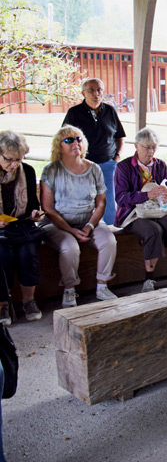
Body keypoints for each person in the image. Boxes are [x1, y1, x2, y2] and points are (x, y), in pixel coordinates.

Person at [40, 126, 118, 307]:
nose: (75, 143)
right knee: (70, 247)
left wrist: (90, 226)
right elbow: (48, 208)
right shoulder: (51, 170)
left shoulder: (94, 169)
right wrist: (72, 231)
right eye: (69, 140)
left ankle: (102, 286)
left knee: (109, 241)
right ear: (59, 146)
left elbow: (101, 203)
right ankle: (69, 290)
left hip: (88, 220)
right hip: (58, 223)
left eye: (78, 139)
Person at [114, 127, 167, 292]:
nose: (150, 152)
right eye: (146, 147)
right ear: (136, 145)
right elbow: (121, 198)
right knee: (153, 230)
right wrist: (147, 195)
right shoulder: (124, 167)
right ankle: (149, 278)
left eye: (153, 148)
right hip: (133, 214)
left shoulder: (161, 166)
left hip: (158, 211)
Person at [63, 78, 126, 226]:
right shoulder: (74, 113)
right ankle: (87, 227)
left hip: (108, 164)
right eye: (91, 90)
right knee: (84, 199)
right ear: (83, 93)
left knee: (109, 199)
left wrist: (116, 157)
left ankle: (111, 229)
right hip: (83, 165)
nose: (96, 93)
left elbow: (119, 137)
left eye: (99, 90)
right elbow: (65, 138)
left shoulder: (110, 111)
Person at [0, 131, 45, 324]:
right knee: (3, 255)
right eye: (9, 160)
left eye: (18, 160)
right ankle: (3, 304)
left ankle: (29, 301)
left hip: (22, 225)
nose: (14, 165)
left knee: (28, 252)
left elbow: (33, 203)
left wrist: (35, 212)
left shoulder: (26, 171)